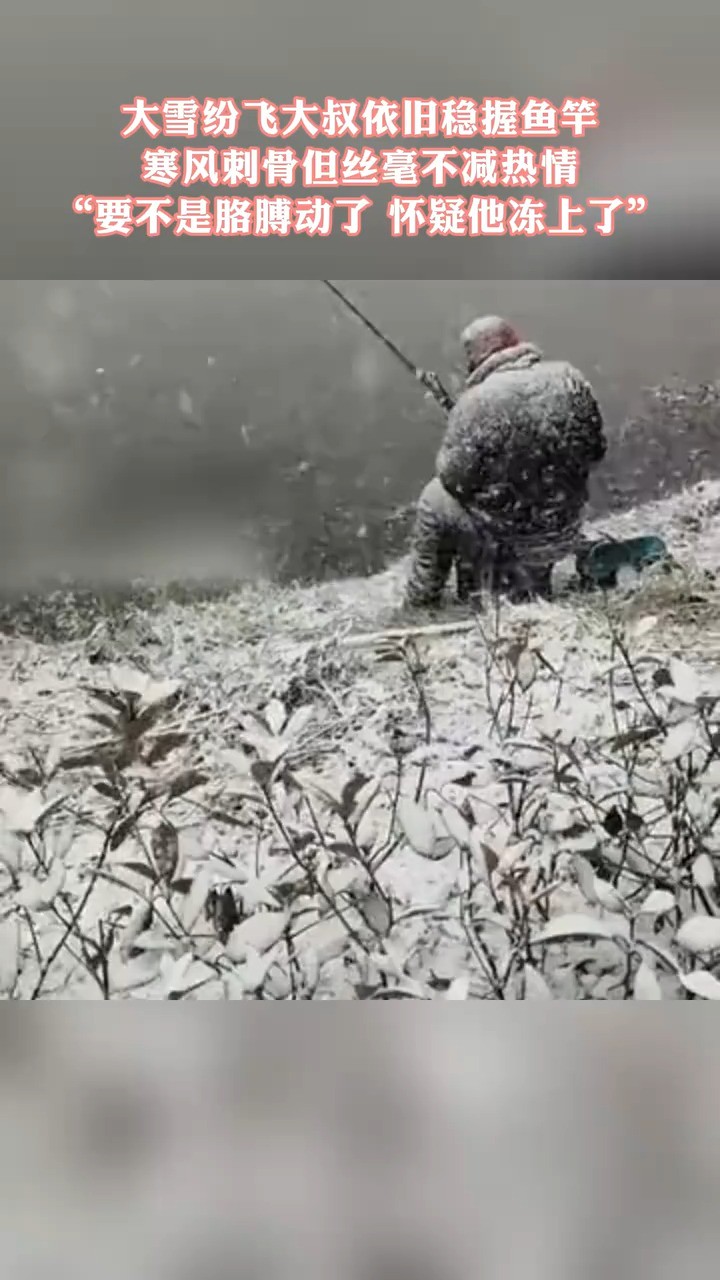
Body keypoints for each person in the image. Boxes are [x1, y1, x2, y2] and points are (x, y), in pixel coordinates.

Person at [404, 315, 607, 608]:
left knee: (433, 499)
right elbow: (595, 450)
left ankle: (421, 601)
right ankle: (530, 575)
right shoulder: (569, 377)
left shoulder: (474, 402)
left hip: (513, 543)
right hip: (565, 530)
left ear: (474, 357)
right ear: (515, 339)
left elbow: (454, 480)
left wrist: (476, 442)